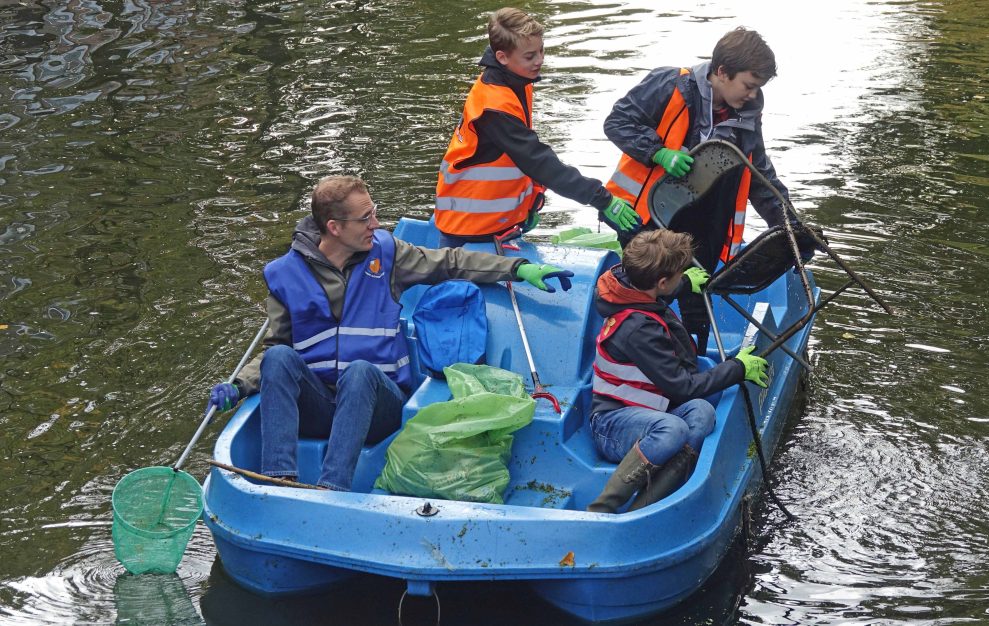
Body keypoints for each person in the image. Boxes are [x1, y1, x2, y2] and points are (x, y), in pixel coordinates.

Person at [205, 175, 574, 491]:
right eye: (366, 218)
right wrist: (238, 386)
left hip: (378, 402)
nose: (376, 225)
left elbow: (450, 263)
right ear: (334, 227)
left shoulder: (388, 253)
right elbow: (276, 347)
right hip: (320, 403)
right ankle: (277, 483)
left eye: (374, 213)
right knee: (280, 359)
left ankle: (331, 490)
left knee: (360, 371)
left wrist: (517, 268)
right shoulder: (285, 275)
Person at [602, 26, 814, 351]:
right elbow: (617, 121)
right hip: (646, 215)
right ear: (722, 72)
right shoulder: (670, 84)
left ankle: (693, 359)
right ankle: (627, 359)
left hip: (704, 219)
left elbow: (759, 176)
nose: (753, 95)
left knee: (696, 294)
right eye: (748, 85)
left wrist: (791, 227)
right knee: (643, 293)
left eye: (758, 88)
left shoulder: (747, 114)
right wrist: (658, 152)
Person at [587, 229, 768, 513]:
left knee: (701, 411)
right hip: (612, 425)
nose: (683, 274)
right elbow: (682, 387)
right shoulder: (637, 329)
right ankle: (604, 509)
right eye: (679, 273)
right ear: (660, 282)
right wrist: (737, 368)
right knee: (673, 428)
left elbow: (651, 300)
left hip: (648, 410)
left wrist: (682, 284)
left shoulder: (633, 290)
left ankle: (647, 507)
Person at [434, 7, 639, 247]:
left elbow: (517, 157)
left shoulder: (515, 80)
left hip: (491, 220)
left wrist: (530, 203)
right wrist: (602, 199)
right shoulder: (494, 107)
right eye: (530, 56)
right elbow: (539, 161)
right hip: (471, 227)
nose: (539, 60)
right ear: (502, 57)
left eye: (541, 50)